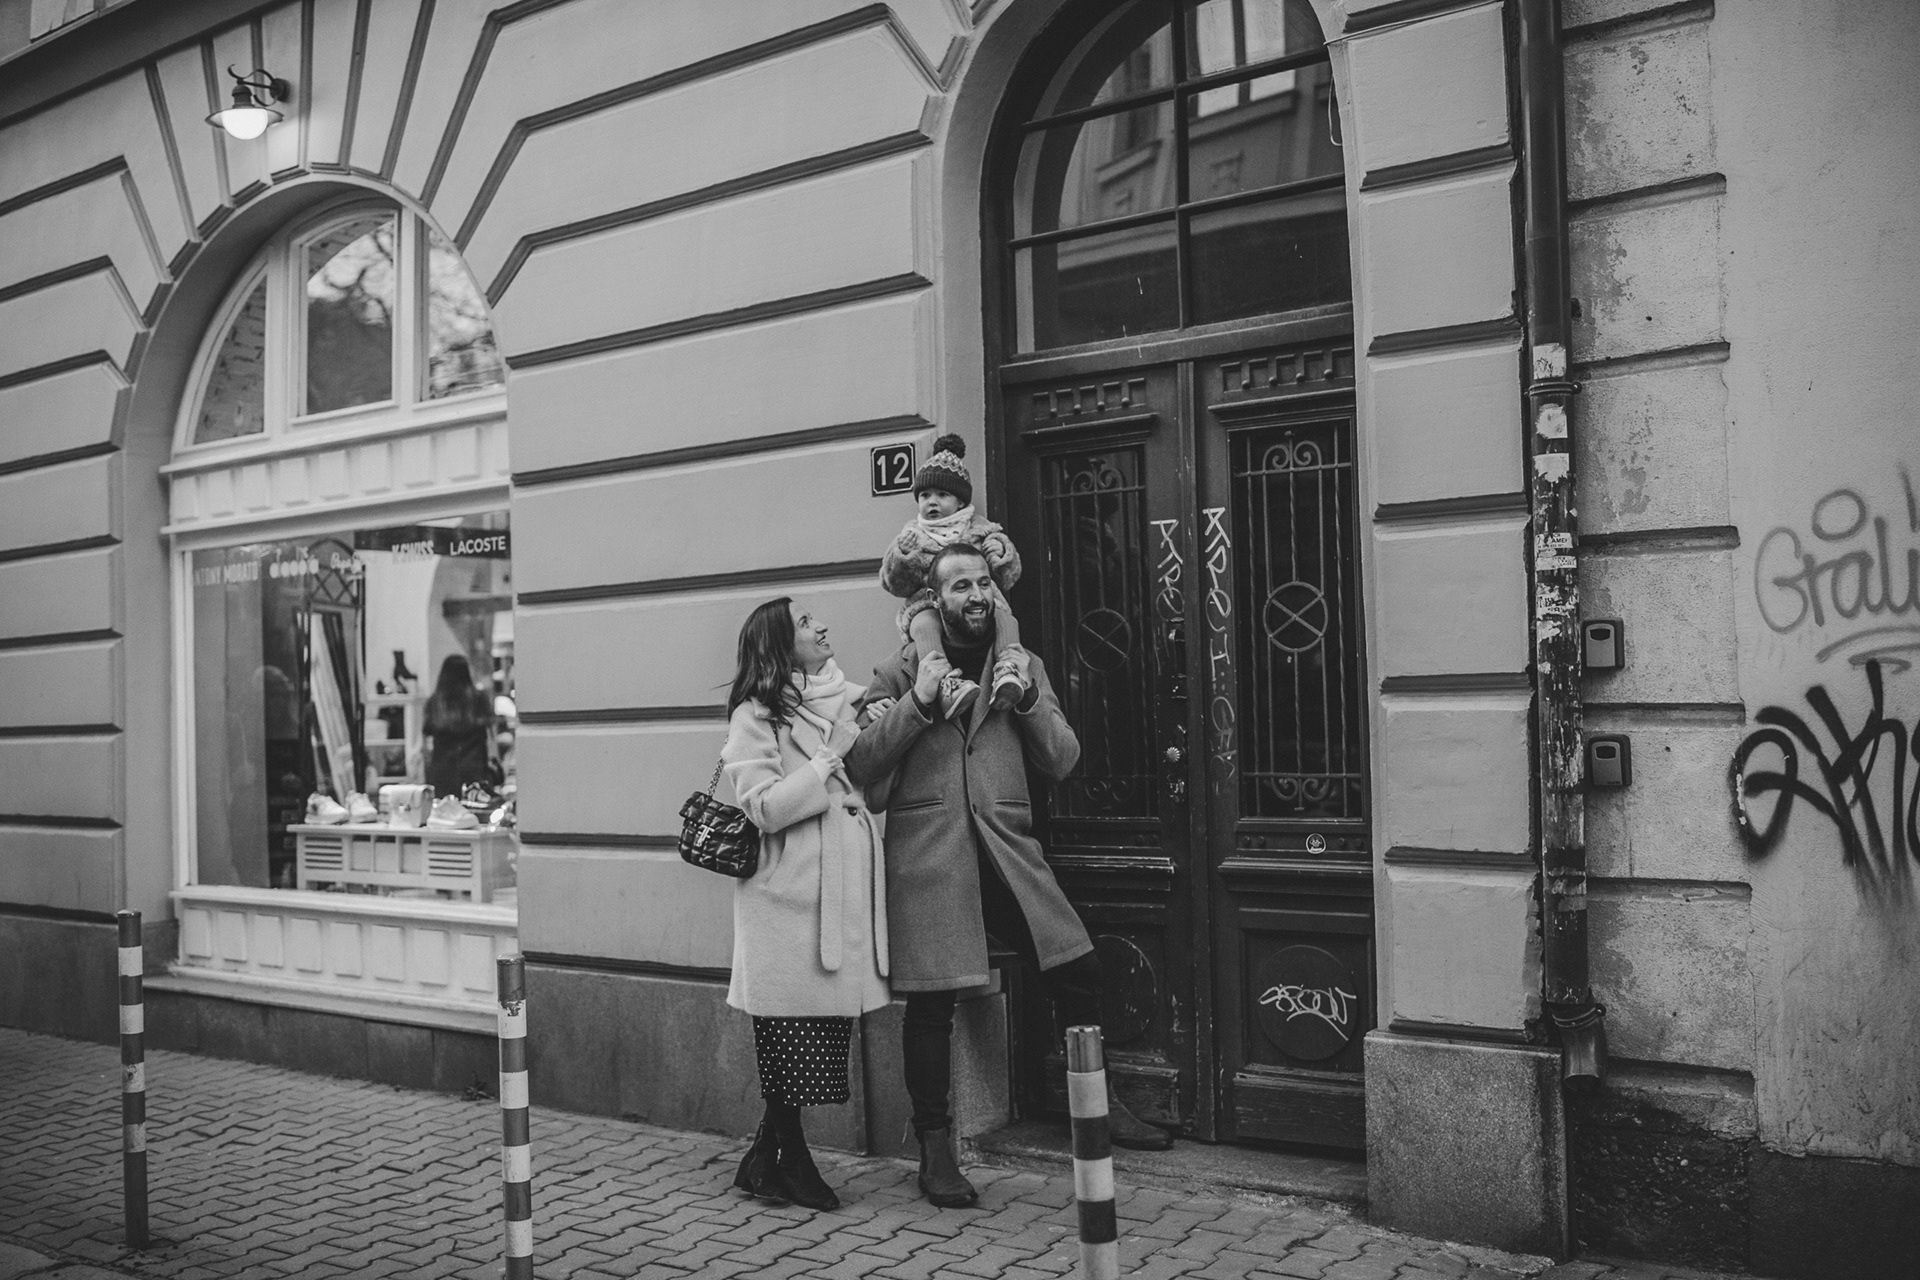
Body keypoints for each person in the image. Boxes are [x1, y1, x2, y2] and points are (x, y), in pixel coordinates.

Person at [847, 543, 1172, 1210]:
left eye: (983, 583)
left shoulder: (1022, 663)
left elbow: (1062, 758)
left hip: (1007, 854)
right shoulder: (897, 671)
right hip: (932, 859)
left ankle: (1096, 1102)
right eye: (960, 585)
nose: (976, 594)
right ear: (935, 600)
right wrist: (918, 702)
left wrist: (1024, 700)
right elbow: (864, 769)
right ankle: (935, 1146)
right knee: (932, 1004)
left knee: (1078, 968)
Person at [721, 598, 891, 1211]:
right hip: (786, 898)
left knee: (815, 1034)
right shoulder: (755, 715)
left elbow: (876, 768)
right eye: (804, 622)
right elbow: (763, 807)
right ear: (779, 645)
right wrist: (826, 759)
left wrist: (879, 725)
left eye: (817, 617)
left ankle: (764, 1159)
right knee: (787, 1032)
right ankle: (792, 1159)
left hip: (838, 897)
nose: (820, 625)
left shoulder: (849, 698)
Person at [879, 434, 1025, 721]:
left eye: (942, 495)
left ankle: (1008, 673)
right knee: (924, 625)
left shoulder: (981, 530)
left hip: (979, 605)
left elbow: (1008, 577)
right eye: (925, 495)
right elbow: (894, 584)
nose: (932, 502)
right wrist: (903, 556)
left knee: (1007, 621)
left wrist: (1001, 555)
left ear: (959, 502)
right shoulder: (912, 535)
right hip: (926, 605)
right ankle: (947, 685)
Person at [421, 655, 494, 800]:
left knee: (444, 810)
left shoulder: (435, 702)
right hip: (474, 767)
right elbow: (490, 732)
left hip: (442, 768)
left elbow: (427, 735)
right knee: (475, 808)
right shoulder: (478, 699)